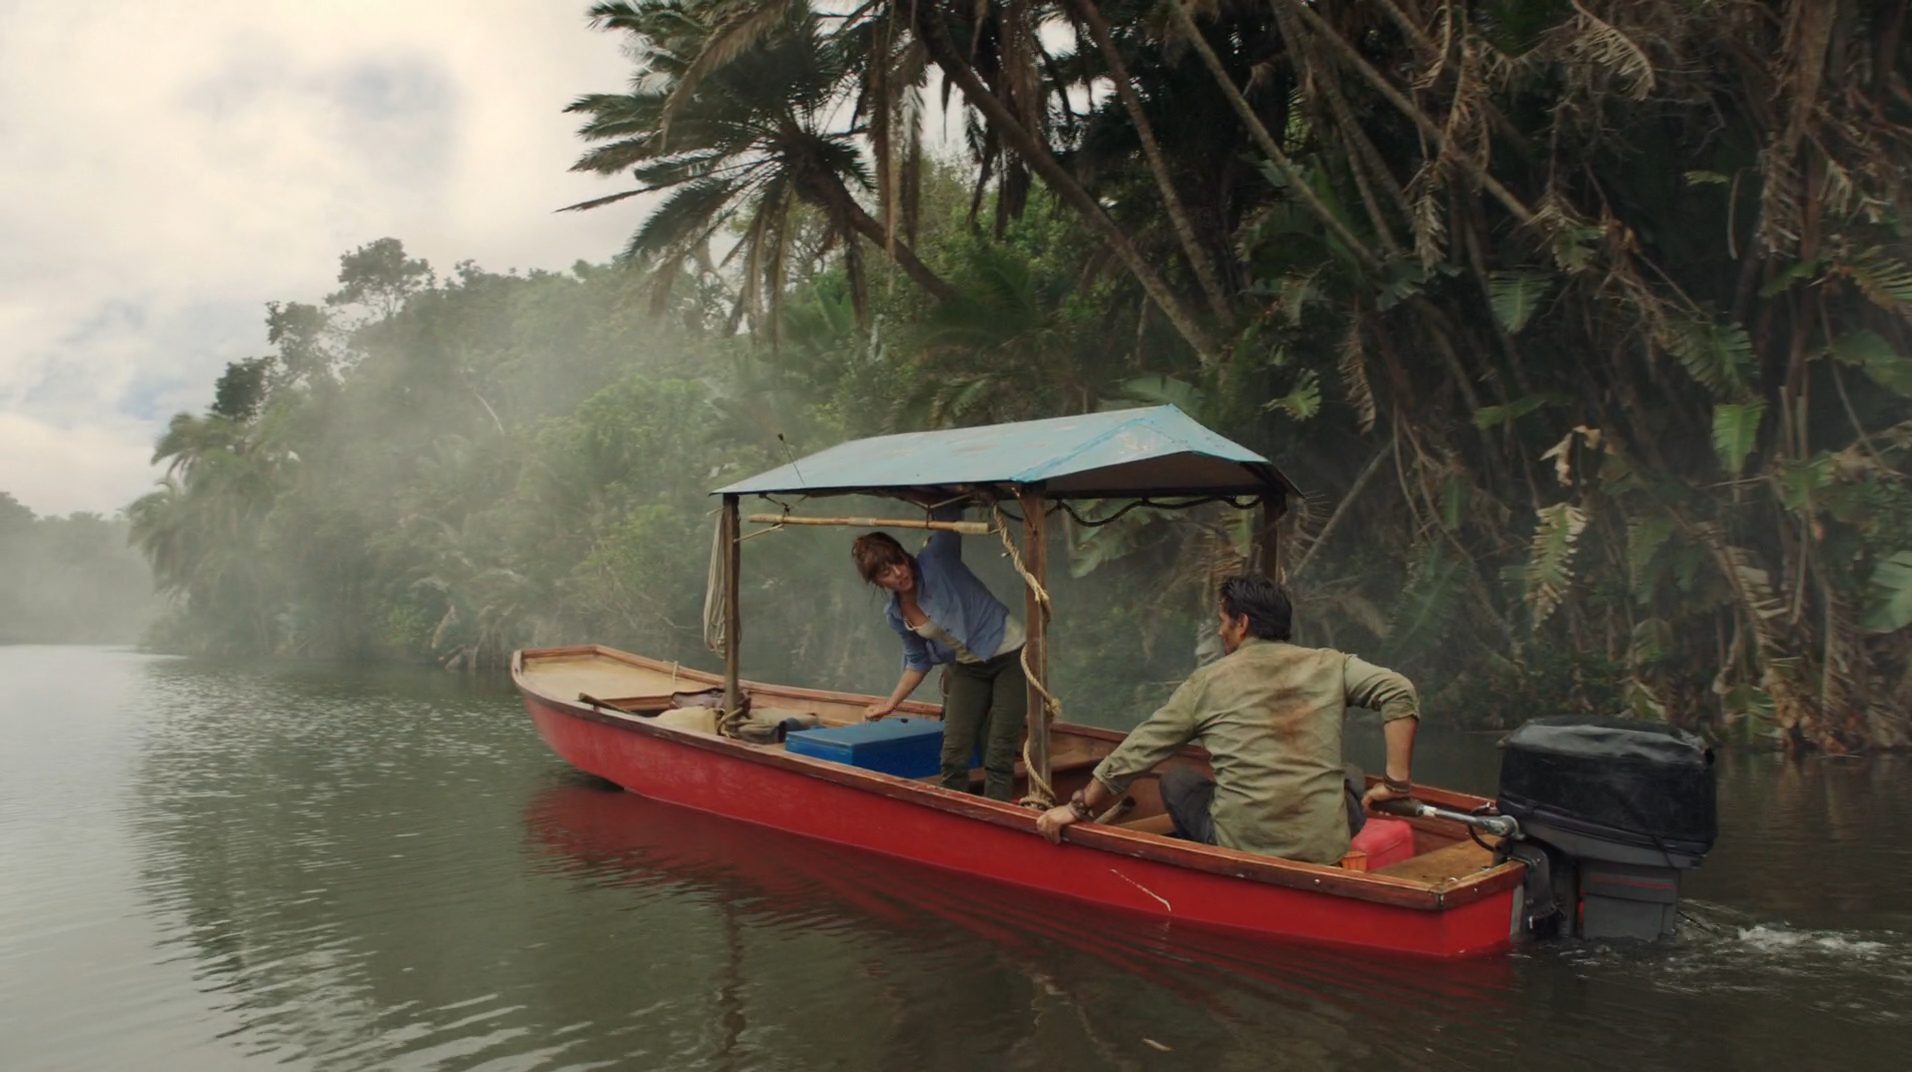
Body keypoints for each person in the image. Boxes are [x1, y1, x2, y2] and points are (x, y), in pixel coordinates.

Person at [1036, 575, 1419, 864]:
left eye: (1222, 620)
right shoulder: (1332, 664)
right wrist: (1396, 785)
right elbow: (1399, 691)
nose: (1220, 630)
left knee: (1178, 779)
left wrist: (1077, 808)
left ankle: (1204, 867)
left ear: (1243, 623)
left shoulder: (1208, 682)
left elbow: (1139, 750)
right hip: (1323, 847)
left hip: (1242, 846)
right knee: (1350, 772)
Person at [853, 500, 1028, 801]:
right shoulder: (896, 614)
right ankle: (953, 814)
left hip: (1012, 654)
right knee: (953, 752)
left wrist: (932, 494)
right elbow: (918, 661)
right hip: (969, 666)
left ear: (905, 557)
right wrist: (890, 704)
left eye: (898, 561)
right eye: (885, 573)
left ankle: (997, 818)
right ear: (878, 582)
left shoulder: (936, 559)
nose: (898, 573)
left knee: (999, 752)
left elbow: (948, 517)